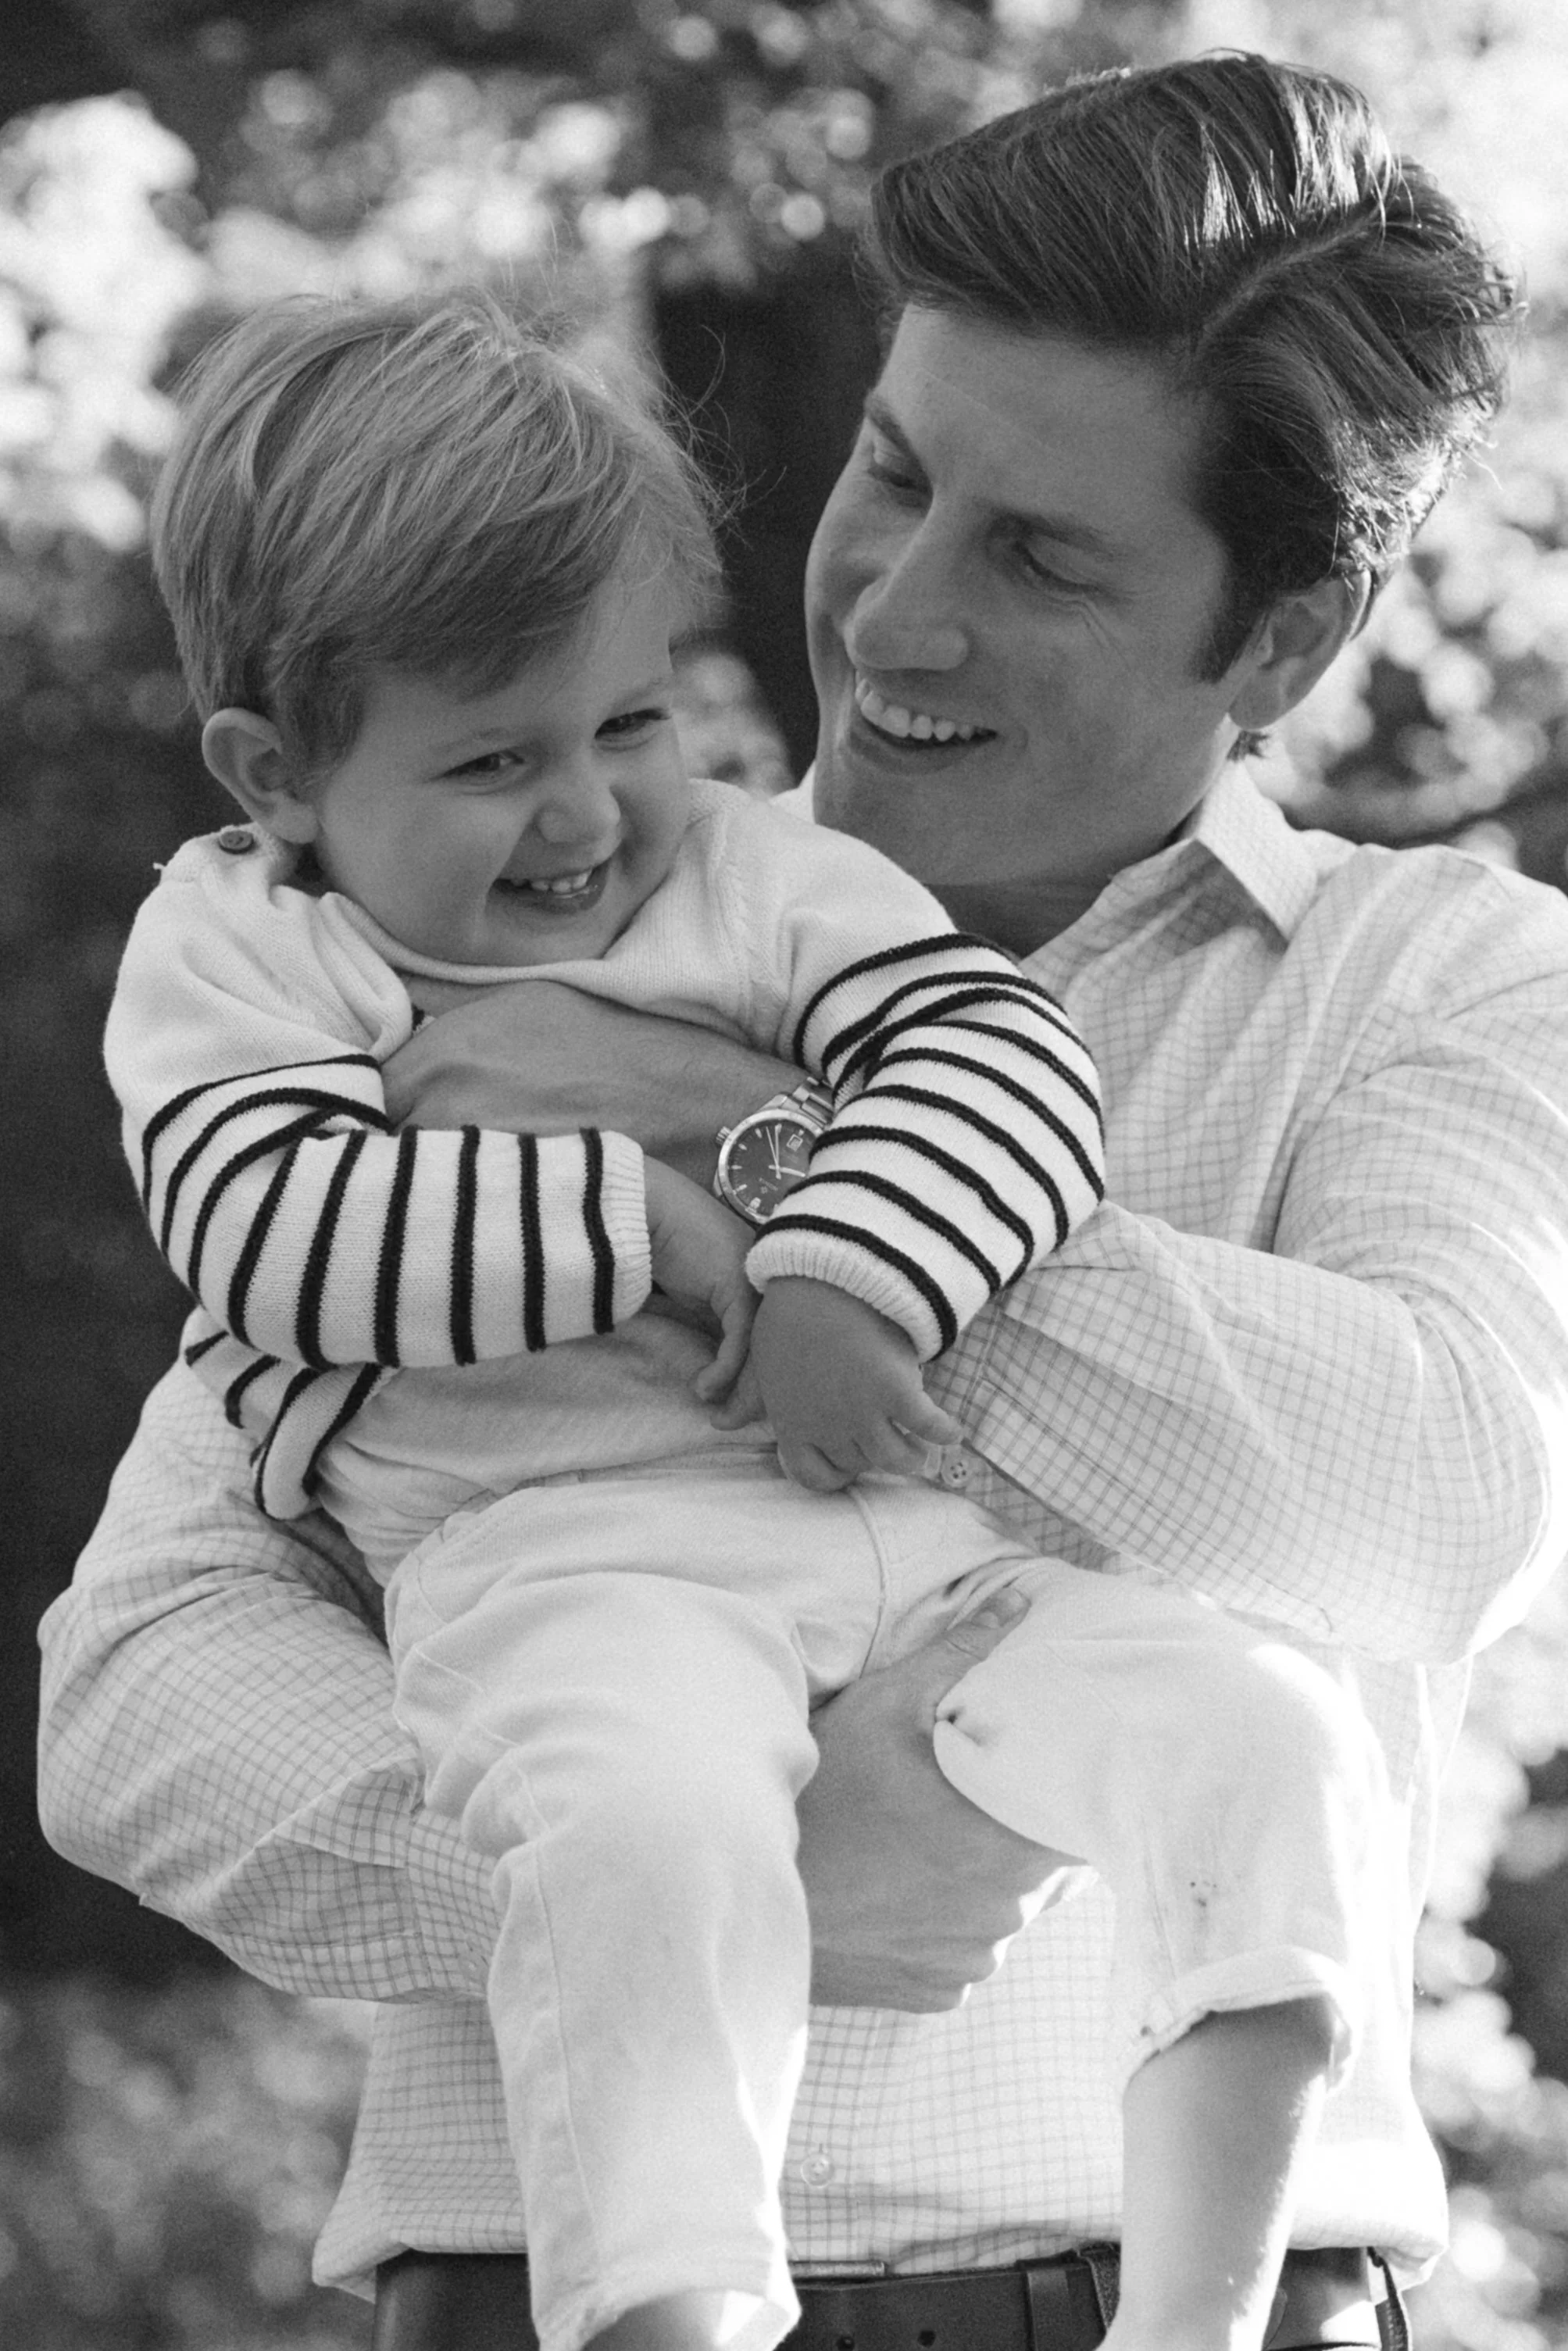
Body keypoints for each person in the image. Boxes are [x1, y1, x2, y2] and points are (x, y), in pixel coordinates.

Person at [38, 46, 1568, 2351]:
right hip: (539, 2296)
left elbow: (1437, 1503)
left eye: (1038, 556)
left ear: (1275, 642)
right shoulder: (473, 908)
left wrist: (751, 1168)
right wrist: (688, 1883)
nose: (890, 613)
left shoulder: (1429, 982)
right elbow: (140, 1687)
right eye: (893, 473)